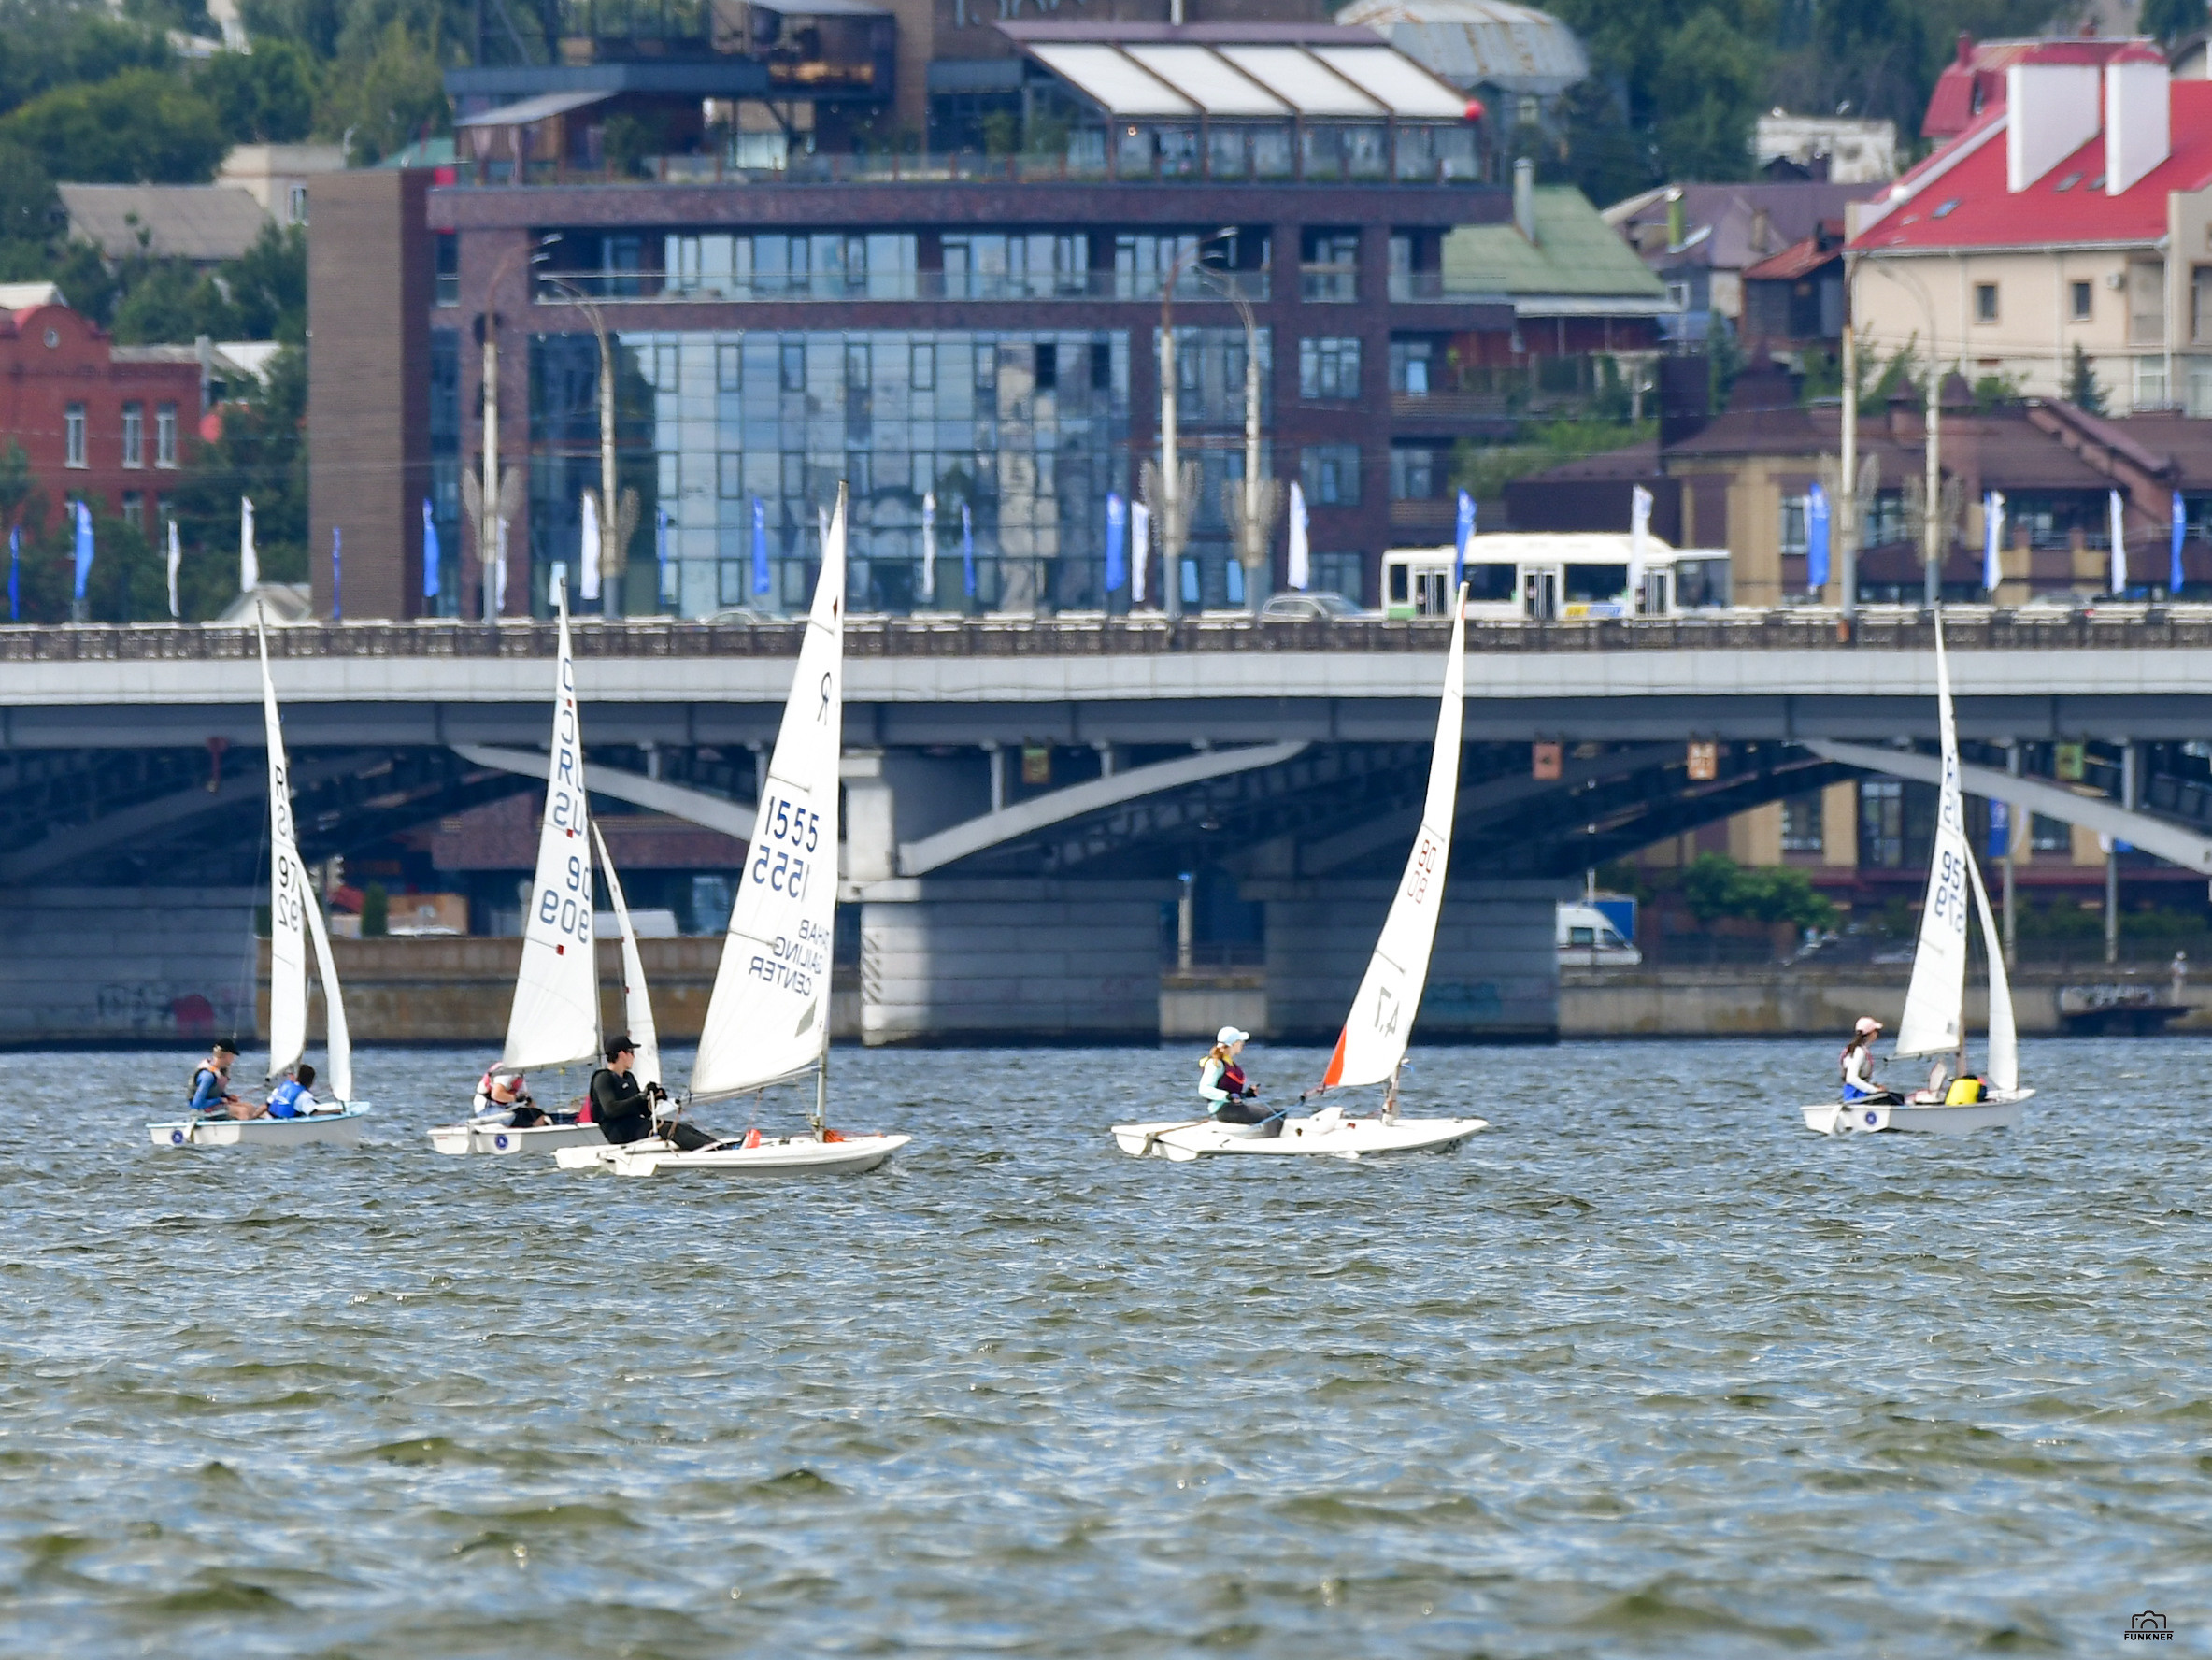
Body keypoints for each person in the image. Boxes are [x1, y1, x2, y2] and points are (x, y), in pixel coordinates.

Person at [591, 1035, 723, 1152]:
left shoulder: (629, 1077)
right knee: (671, 1130)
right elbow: (611, 1109)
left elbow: (645, 1112)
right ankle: (714, 1150)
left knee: (682, 1126)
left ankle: (718, 1146)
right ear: (622, 1054)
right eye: (631, 1052)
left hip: (636, 1124)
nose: (634, 1056)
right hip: (619, 1131)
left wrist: (652, 1098)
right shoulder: (603, 1078)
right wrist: (640, 1096)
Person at [1199, 1025, 1280, 1138]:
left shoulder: (1229, 1063)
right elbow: (1204, 1089)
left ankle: (1271, 1136)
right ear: (1233, 1044)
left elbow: (1233, 1094)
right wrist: (1227, 1096)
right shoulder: (1215, 1064)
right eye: (1240, 1041)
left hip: (1233, 1108)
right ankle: (1271, 1144)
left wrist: (1247, 1094)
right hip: (1223, 1110)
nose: (1243, 1043)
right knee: (1270, 1115)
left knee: (1278, 1112)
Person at [1838, 1017, 1900, 1105]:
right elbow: (1851, 1078)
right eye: (1876, 1031)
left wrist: (1874, 1086)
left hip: (1855, 1095)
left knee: (1894, 1096)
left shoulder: (1854, 1049)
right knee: (1897, 1099)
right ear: (1870, 1033)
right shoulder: (1859, 1051)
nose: (1877, 1034)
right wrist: (1874, 1090)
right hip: (1856, 1097)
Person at [473, 1067, 551, 1128]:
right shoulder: (506, 1072)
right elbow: (496, 1094)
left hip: (504, 1108)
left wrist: (537, 1112)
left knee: (537, 1114)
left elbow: (527, 1098)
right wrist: (515, 1098)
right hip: (487, 1109)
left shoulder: (519, 1074)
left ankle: (537, 1132)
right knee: (512, 1118)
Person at [188, 1041, 244, 1116]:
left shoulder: (219, 1072)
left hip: (213, 1107)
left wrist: (227, 1097)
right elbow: (197, 1104)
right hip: (201, 1113)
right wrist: (219, 1100)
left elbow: (212, 1093)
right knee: (242, 1111)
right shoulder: (207, 1076)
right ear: (226, 1055)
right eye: (232, 1055)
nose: (233, 1059)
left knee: (249, 1107)